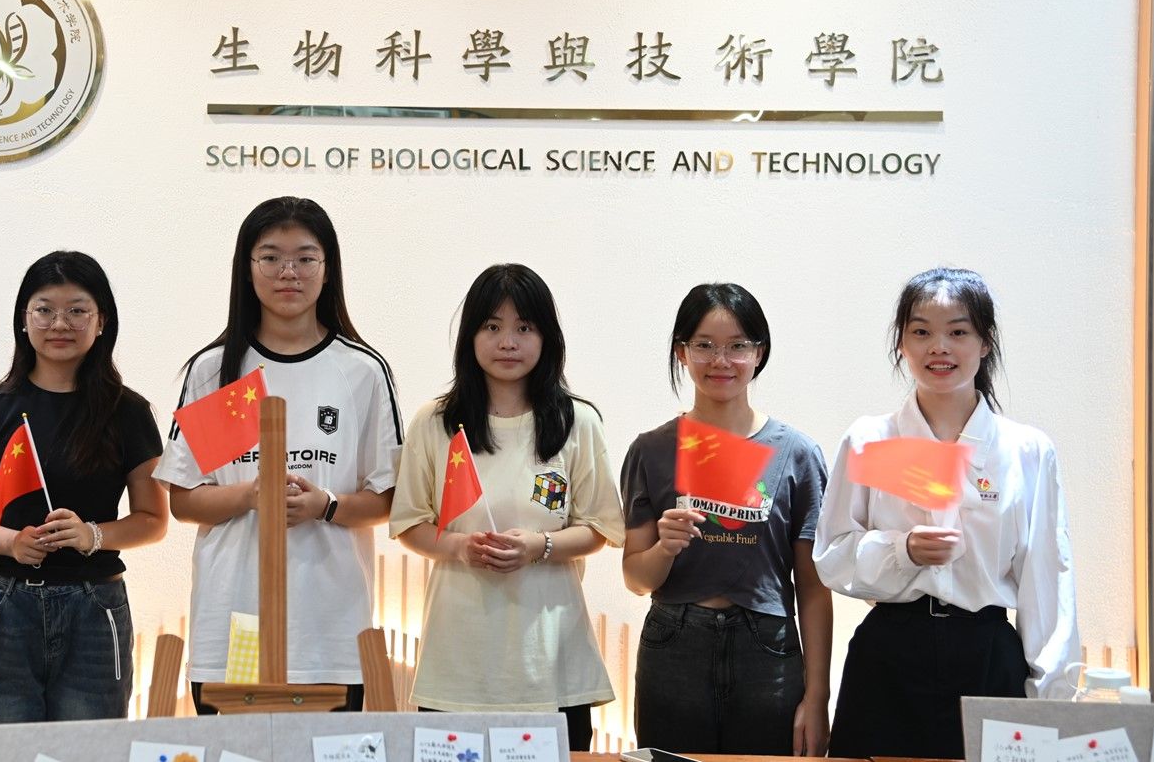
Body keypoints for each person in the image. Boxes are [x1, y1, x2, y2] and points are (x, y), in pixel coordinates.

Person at [814, 267, 1079, 759]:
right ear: (901, 343)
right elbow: (831, 555)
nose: (939, 347)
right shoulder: (870, 439)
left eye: (958, 332)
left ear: (985, 342)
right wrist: (903, 551)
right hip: (889, 655)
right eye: (921, 332)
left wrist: (1051, 705)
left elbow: (1047, 579)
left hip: (988, 656)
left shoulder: (1026, 450)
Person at [154, 196, 402, 714]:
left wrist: (325, 506)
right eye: (270, 257)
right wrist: (250, 495)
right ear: (247, 269)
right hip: (234, 623)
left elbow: (386, 499)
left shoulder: (361, 371)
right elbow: (185, 500)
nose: (288, 272)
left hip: (331, 632)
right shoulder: (217, 370)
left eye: (305, 258)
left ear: (327, 269)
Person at [390, 263, 622, 751]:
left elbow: (599, 527)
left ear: (546, 337)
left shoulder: (577, 421)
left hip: (552, 664)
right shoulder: (435, 422)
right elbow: (410, 522)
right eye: (492, 327)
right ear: (470, 337)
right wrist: (459, 547)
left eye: (524, 328)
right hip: (457, 664)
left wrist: (540, 546)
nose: (508, 343)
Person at [0, 250, 167, 722]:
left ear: (101, 321)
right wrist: (11, 542)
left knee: (89, 752)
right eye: (44, 309)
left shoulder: (128, 411)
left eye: (77, 310)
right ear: (24, 319)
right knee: (3, 752)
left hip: (95, 606)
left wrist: (92, 535)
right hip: (4, 604)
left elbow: (153, 520)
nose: (59, 323)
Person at [619, 283, 831, 755]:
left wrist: (818, 696)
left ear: (759, 353)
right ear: (681, 352)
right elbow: (635, 578)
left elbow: (814, 587)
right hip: (674, 643)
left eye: (738, 346)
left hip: (767, 651)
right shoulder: (650, 450)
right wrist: (664, 548)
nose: (721, 361)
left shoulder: (796, 453)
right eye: (704, 345)